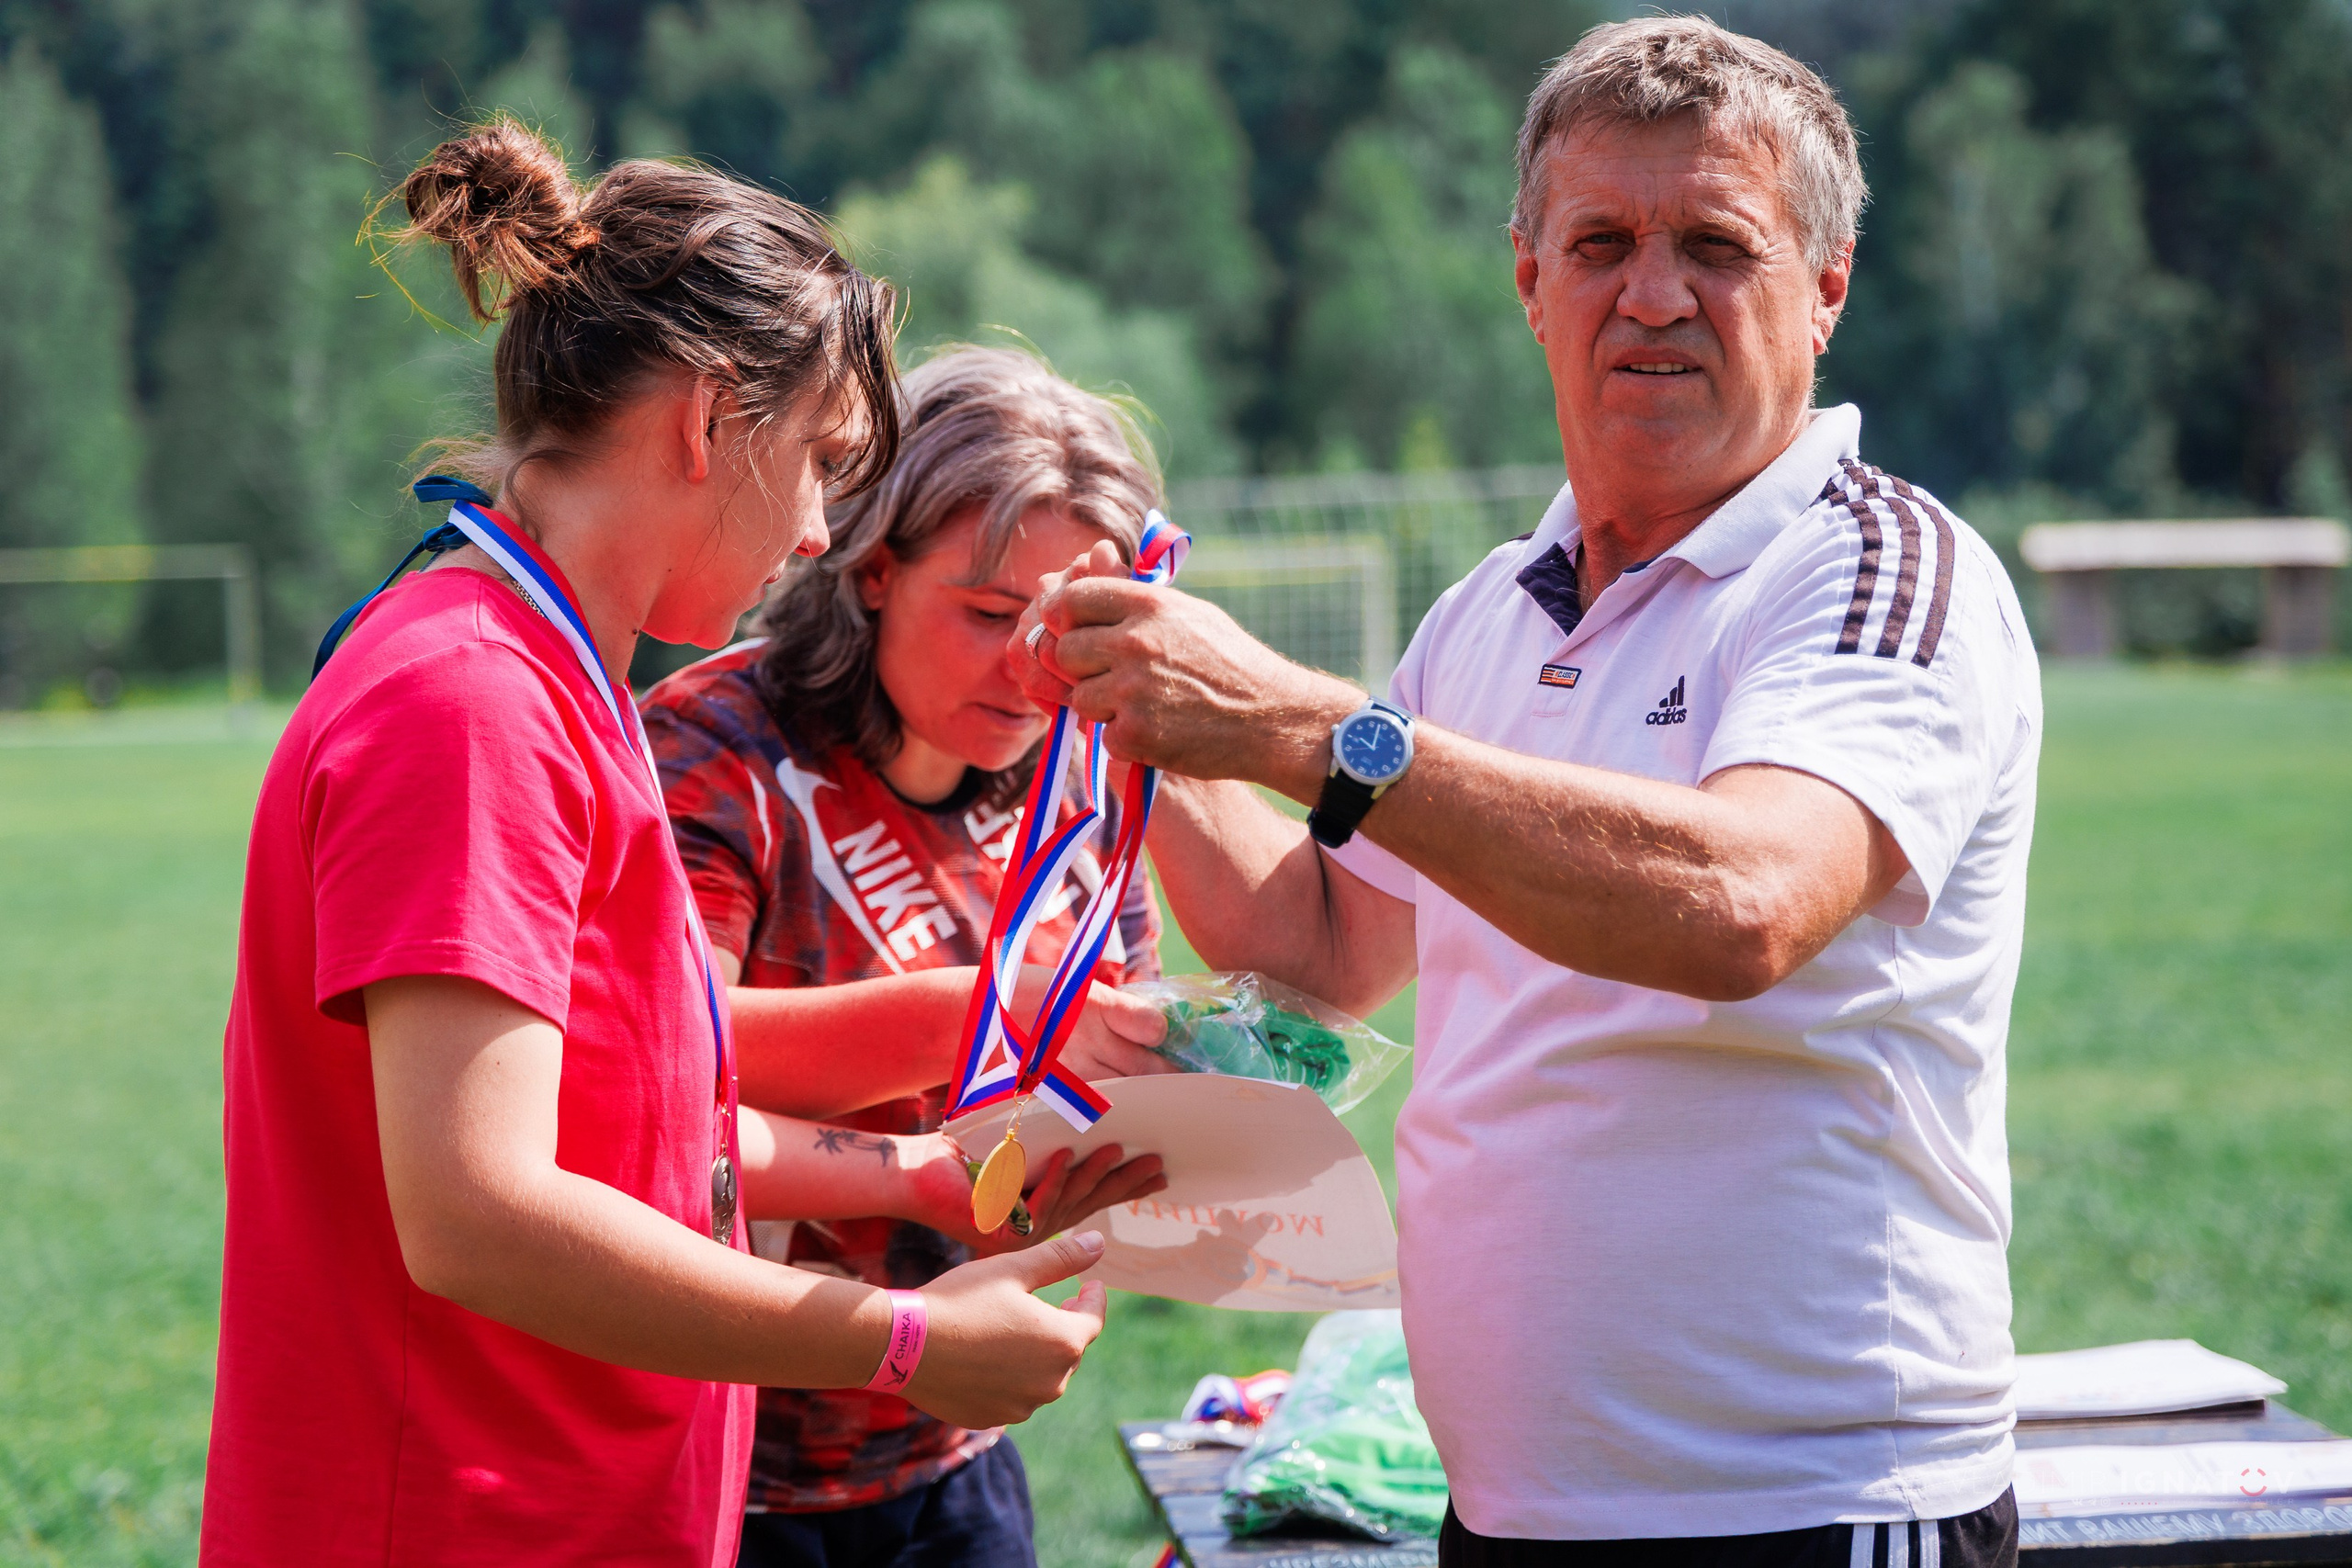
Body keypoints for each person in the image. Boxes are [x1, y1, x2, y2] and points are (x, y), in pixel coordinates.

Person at [1014, 19, 2038, 1568]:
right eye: (1603, 242)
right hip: (1506, 1511)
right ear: (1528, 282)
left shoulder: (1877, 567)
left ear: (1826, 289)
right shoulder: (1494, 609)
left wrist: (1310, 729)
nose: (1653, 293)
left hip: (1809, 1508)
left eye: (1717, 245)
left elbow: (1744, 906)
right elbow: (1318, 951)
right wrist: (1135, 710)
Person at [203, 122, 1115, 1568]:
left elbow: (637, 1141)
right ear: (705, 420)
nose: (819, 528)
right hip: (458, 1522)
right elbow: (479, 1215)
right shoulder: (472, 699)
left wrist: (909, 1178)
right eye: (820, 460)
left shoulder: (555, 676)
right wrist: (895, 1342)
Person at [641, 345, 1177, 1568]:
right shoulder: (713, 751)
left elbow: (1102, 1060)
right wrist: (969, 1015)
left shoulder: (1080, 768)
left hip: (956, 1460)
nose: (1032, 668)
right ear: (872, 569)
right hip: (731, 1476)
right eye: (991, 615)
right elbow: (663, 1075)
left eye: (1069, 627)